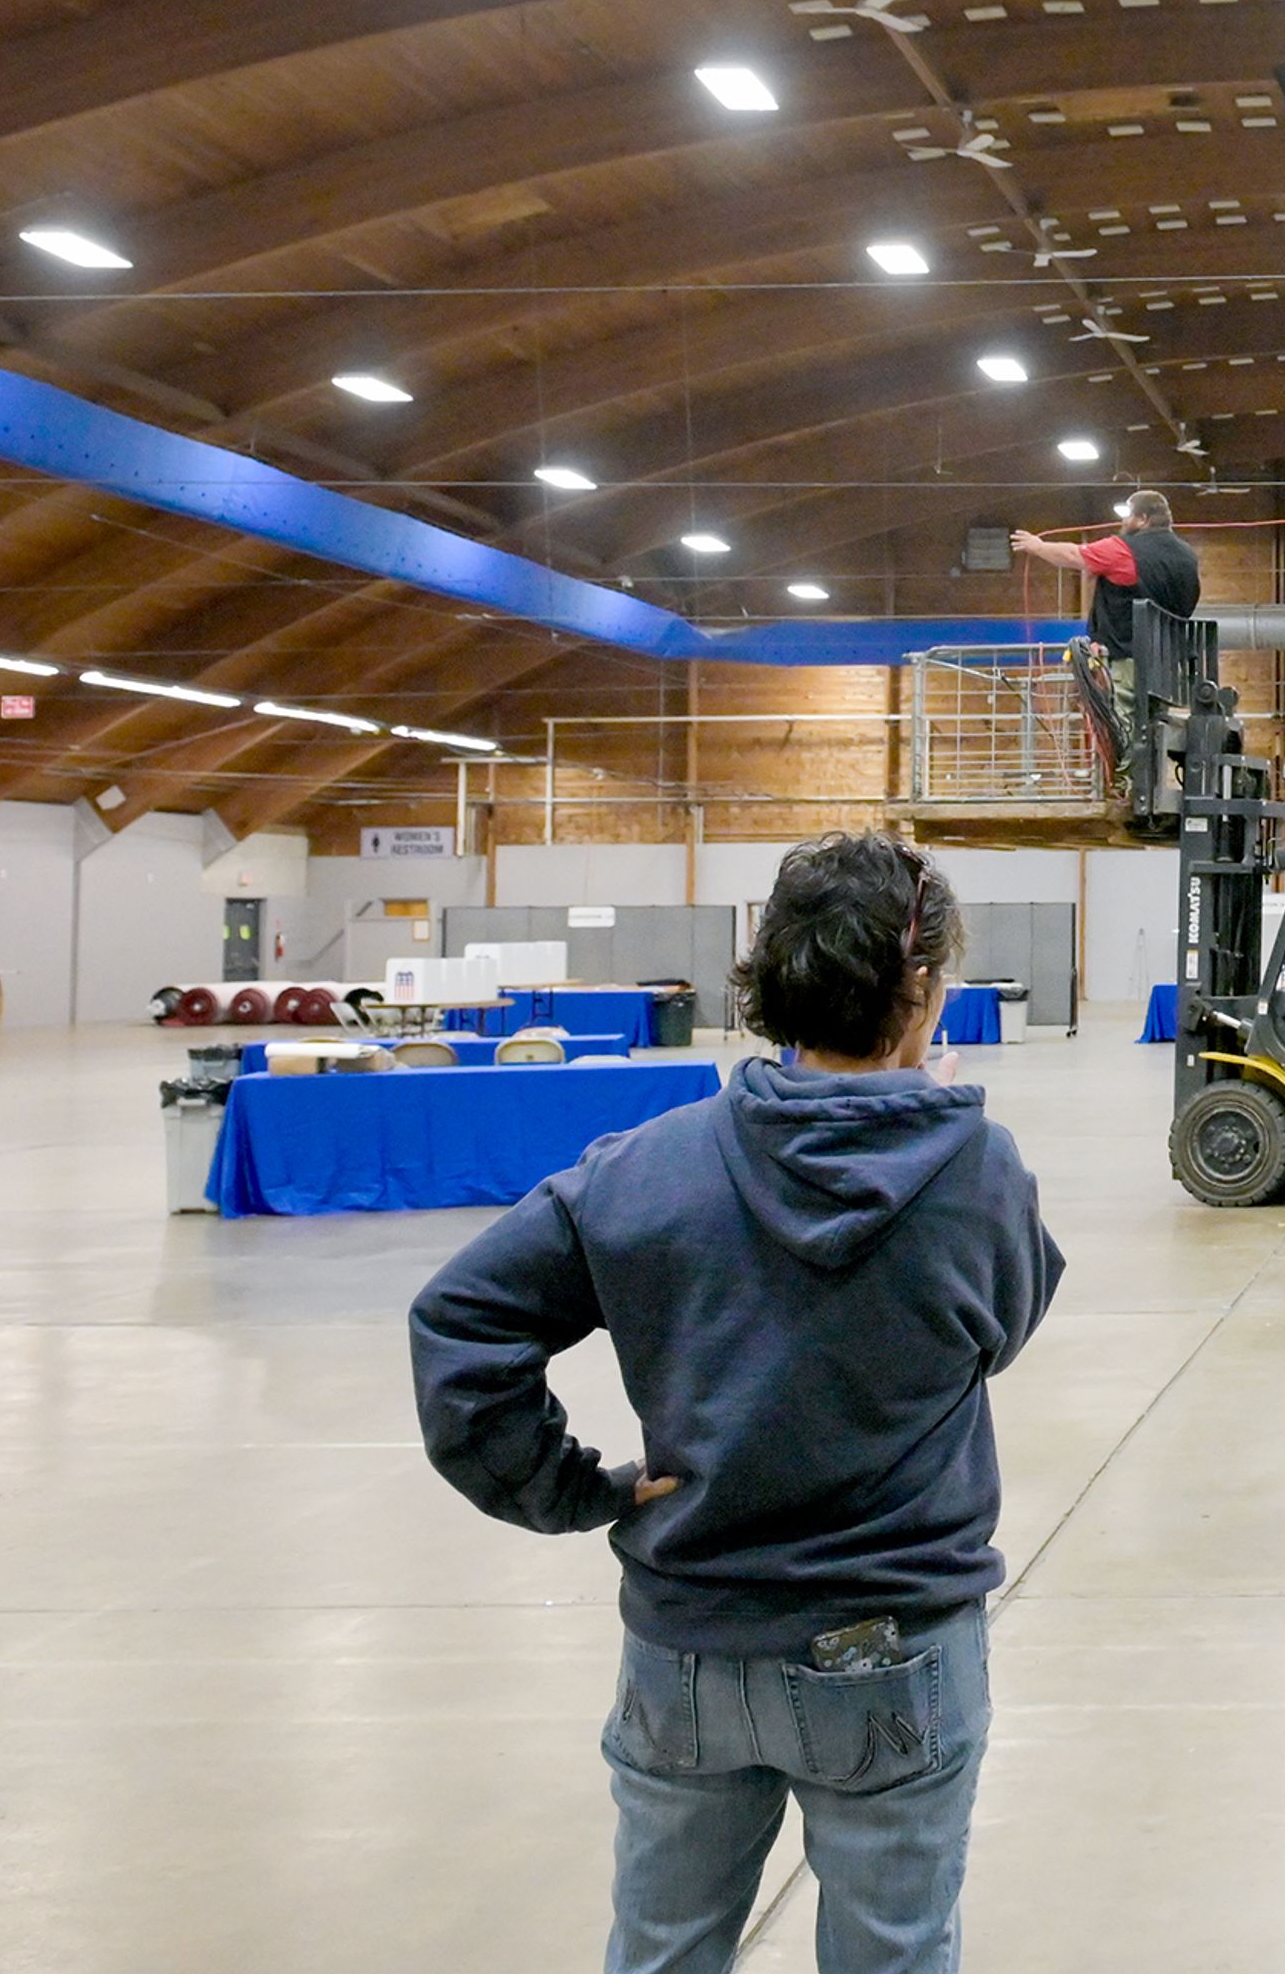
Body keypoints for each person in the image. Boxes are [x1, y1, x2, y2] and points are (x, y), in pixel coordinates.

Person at [409, 832, 1062, 1974]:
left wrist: (570, 1491)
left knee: (662, 1949)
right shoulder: (979, 1172)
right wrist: (934, 1123)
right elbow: (1000, 1334)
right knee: (896, 1953)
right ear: (925, 998)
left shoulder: (642, 1168)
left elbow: (463, 1321)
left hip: (689, 1649)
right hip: (892, 1644)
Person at [1014, 493, 1204, 794]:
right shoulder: (1187, 556)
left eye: (1129, 515)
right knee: (1155, 721)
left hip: (1128, 653)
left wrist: (1038, 547)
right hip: (1169, 658)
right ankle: (1150, 786)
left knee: (1122, 718)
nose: (1123, 521)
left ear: (1143, 519)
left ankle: (1124, 787)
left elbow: (1076, 555)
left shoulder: (1125, 550)